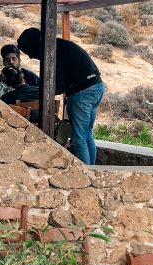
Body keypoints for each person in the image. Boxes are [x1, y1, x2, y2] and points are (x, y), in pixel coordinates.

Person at [16, 28, 104, 165]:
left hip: (82, 92)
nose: (30, 57)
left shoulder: (51, 51)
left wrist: (41, 93)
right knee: (87, 134)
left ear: (33, 44)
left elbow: (59, 83)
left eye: (28, 52)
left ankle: (86, 176)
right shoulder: (60, 45)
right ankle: (92, 170)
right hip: (96, 87)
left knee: (78, 139)